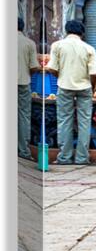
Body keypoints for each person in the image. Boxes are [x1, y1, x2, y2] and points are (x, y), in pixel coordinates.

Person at [46, 20, 96, 165]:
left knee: (64, 121)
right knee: (84, 122)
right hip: (85, 88)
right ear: (82, 33)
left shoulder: (57, 46)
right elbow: (94, 74)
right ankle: (82, 158)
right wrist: (92, 88)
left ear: (66, 31)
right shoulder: (89, 48)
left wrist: (61, 76)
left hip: (64, 87)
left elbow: (51, 68)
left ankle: (64, 157)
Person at [18, 18, 40, 160]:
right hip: (23, 83)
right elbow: (34, 67)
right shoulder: (29, 43)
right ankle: (23, 151)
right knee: (23, 117)